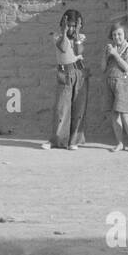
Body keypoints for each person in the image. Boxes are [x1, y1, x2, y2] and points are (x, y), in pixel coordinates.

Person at [42, 9, 88, 150]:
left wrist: (77, 33)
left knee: (78, 108)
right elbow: (63, 47)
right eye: (69, 25)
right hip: (64, 73)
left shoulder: (80, 37)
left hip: (79, 72)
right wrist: (64, 32)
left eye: (74, 25)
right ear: (63, 24)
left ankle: (73, 141)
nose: (71, 28)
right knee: (62, 108)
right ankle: (57, 140)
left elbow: (79, 51)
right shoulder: (58, 36)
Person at [105, 22, 128, 153]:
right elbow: (103, 68)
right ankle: (119, 143)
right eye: (114, 35)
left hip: (123, 84)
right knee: (114, 115)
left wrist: (114, 54)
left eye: (119, 34)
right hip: (110, 83)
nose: (117, 37)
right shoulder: (112, 49)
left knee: (125, 114)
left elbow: (126, 67)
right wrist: (107, 55)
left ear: (125, 34)